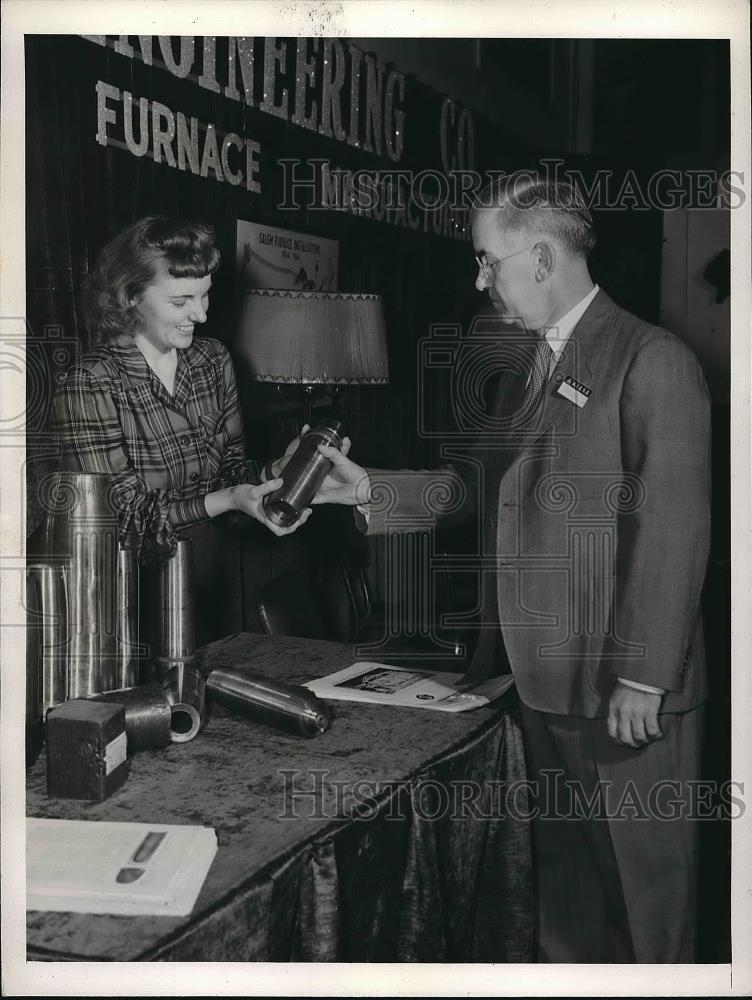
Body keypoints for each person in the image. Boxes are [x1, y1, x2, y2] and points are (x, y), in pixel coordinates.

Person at [313, 172, 712, 963]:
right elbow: (476, 489)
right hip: (541, 686)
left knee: (644, 914)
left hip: (620, 693)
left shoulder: (651, 359)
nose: (479, 278)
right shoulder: (528, 361)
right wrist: (372, 490)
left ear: (538, 257)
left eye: (486, 260)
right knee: (563, 908)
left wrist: (644, 677)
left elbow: (672, 527)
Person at [51, 216, 315, 643]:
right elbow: (124, 521)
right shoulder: (91, 382)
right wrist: (228, 498)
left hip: (211, 584)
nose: (201, 313)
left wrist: (274, 474)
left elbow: (232, 473)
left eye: (205, 295)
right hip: (126, 605)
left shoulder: (212, 361)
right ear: (131, 297)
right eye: (181, 301)